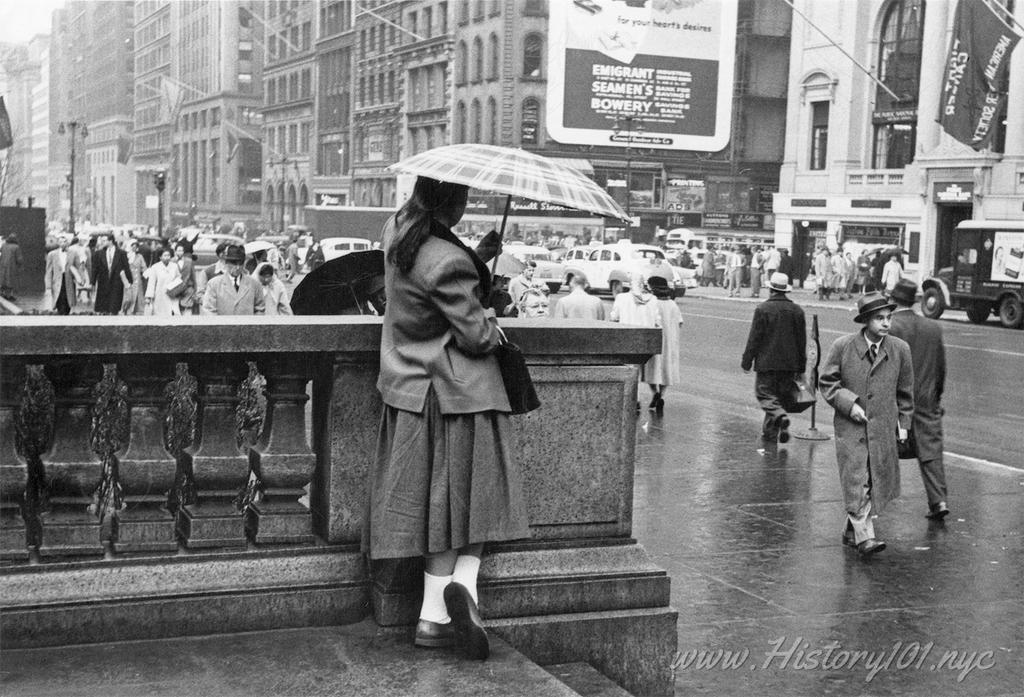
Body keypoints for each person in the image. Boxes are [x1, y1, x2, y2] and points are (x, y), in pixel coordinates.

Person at [366, 176, 528, 661]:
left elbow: (430, 273)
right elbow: (477, 336)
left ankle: (438, 613)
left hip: (409, 386)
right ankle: (455, 595)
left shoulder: (397, 232)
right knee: (474, 499)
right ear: (452, 201)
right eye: (464, 198)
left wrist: (478, 255)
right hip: (460, 394)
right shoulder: (448, 262)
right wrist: (491, 305)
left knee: (436, 507)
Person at [818, 292, 914, 557]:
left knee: (873, 480)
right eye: (879, 318)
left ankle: (851, 531)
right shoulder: (843, 346)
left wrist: (903, 425)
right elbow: (827, 383)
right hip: (852, 428)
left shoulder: (899, 350)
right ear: (865, 321)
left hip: (883, 429)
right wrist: (850, 404)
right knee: (856, 479)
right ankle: (865, 538)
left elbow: (906, 393)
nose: (885, 323)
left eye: (888, 317)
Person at [887, 279, 950, 520]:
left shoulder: (890, 327)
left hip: (896, 400)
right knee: (931, 450)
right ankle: (939, 500)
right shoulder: (933, 328)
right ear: (914, 300)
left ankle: (869, 505)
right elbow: (940, 367)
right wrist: (937, 396)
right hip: (926, 397)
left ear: (892, 300)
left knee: (881, 450)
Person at [740, 272, 807, 443]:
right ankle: (771, 432)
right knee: (779, 397)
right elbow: (801, 341)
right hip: (790, 364)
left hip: (767, 362)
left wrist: (747, 361)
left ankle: (779, 417)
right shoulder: (797, 311)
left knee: (765, 395)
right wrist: (801, 366)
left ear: (770, 289)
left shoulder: (763, 309)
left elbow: (754, 337)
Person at [610, 274, 662, 411]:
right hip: (646, 339)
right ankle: (652, 394)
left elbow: (614, 317)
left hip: (627, 337)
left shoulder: (621, 298)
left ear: (630, 283)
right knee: (640, 369)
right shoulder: (653, 299)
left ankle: (635, 399)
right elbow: (657, 321)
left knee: (630, 369)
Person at [645, 276, 682, 414]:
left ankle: (655, 392)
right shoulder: (673, 304)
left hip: (655, 340)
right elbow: (680, 322)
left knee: (652, 369)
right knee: (667, 371)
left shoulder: (651, 303)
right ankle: (661, 395)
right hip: (670, 341)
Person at [202, 244, 265, 315]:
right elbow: (209, 310)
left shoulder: (254, 284)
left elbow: (260, 309)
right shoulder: (214, 284)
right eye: (234, 263)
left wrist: (253, 325)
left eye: (240, 263)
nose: (237, 267)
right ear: (226, 263)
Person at [91, 233, 131, 315]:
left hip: (116, 280)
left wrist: (129, 280)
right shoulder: (99, 253)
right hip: (103, 280)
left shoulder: (121, 253)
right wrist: (93, 281)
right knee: (103, 303)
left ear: (111, 241)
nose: (102, 242)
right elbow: (95, 268)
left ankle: (114, 313)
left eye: (104, 240)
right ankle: (104, 313)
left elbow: (126, 267)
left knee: (115, 301)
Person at [144, 247, 182, 316]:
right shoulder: (155, 267)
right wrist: (149, 297)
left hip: (171, 294)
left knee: (173, 313)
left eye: (168, 255)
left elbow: (178, 278)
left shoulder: (174, 266)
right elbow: (151, 283)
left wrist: (175, 287)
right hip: (159, 295)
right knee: (159, 314)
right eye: (165, 255)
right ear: (160, 257)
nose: (167, 257)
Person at [44, 235, 76, 314]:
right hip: (57, 281)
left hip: (69, 280)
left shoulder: (73, 253)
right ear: (58, 243)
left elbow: (77, 268)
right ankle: (61, 316)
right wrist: (48, 285)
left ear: (68, 243)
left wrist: (80, 279)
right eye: (61, 242)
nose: (62, 243)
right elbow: (49, 271)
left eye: (64, 241)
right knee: (59, 300)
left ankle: (66, 316)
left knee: (68, 301)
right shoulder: (52, 254)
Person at [121, 238, 149, 315]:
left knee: (138, 296)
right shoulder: (125, 256)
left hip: (137, 280)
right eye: (133, 246)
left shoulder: (139, 256)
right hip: (128, 280)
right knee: (128, 297)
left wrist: (147, 274)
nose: (135, 247)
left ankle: (137, 312)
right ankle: (126, 310)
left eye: (136, 246)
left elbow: (144, 267)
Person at [174, 242, 197, 314]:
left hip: (188, 288)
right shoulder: (172, 261)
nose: (180, 252)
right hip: (176, 289)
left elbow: (193, 275)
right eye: (178, 250)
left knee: (187, 310)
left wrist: (195, 289)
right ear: (175, 251)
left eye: (181, 250)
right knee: (176, 310)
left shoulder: (189, 261)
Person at [0, 234, 24, 301]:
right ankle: (9, 295)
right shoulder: (16, 247)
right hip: (12, 266)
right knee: (11, 280)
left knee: (3, 279)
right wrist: (20, 265)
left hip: (2, 265)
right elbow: (19, 259)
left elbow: (1, 251)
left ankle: (2, 293)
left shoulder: (4, 245)